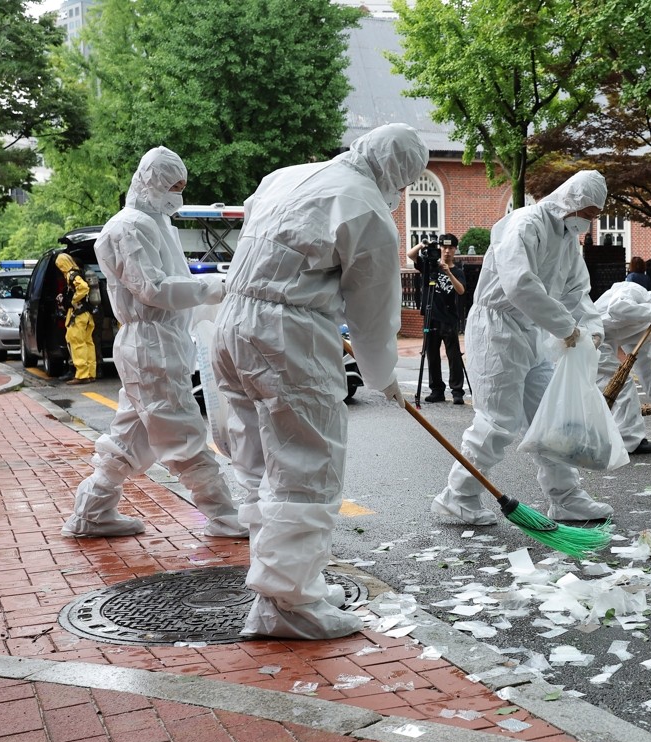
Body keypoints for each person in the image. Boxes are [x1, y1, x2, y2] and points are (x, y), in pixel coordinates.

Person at [212, 123, 428, 640]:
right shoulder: (368, 210)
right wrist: (384, 379)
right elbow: (374, 316)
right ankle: (287, 603)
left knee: (259, 463)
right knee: (306, 467)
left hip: (232, 322)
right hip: (288, 336)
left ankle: (288, 581)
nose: (400, 196)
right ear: (398, 173)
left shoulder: (289, 175)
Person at [63, 147, 243, 541]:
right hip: (150, 345)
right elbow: (153, 289)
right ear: (150, 181)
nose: (177, 194)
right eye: (172, 186)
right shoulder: (129, 227)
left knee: (128, 437)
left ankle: (90, 514)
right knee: (182, 430)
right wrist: (216, 287)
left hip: (160, 343)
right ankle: (224, 515)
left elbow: (168, 284)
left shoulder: (155, 223)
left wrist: (201, 305)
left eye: (182, 186)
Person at [431, 170, 610, 526]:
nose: (587, 222)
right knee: (498, 420)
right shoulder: (525, 224)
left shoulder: (566, 242)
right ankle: (457, 497)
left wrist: (592, 328)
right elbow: (519, 284)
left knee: (551, 418)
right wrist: (565, 326)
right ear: (569, 200)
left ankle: (566, 498)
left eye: (594, 216)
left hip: (534, 330)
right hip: (497, 327)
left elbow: (576, 292)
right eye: (586, 213)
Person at [595, 281, 651, 455]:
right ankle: (630, 440)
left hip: (598, 344)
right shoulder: (636, 291)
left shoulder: (644, 325)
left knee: (609, 390)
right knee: (623, 385)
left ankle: (608, 435)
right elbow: (617, 308)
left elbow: (647, 367)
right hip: (589, 339)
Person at [408, 232, 467, 404]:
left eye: (450, 248)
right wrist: (423, 244)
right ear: (440, 248)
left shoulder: (458, 270)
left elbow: (461, 290)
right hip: (431, 317)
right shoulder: (429, 265)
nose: (447, 251)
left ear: (455, 249)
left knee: (454, 355)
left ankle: (457, 391)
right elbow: (410, 255)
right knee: (432, 355)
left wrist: (448, 273)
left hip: (449, 318)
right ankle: (437, 391)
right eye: (444, 247)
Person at [55, 253, 96, 385]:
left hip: (78, 315)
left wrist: (73, 300)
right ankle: (90, 373)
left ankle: (82, 375)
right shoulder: (79, 272)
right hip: (87, 314)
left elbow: (83, 288)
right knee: (87, 343)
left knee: (76, 342)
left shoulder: (71, 275)